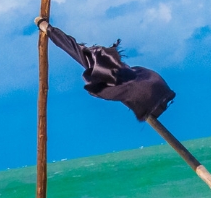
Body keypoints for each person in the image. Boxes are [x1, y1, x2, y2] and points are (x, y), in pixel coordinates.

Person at [36, 16, 175, 121]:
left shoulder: (105, 68)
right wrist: (46, 27)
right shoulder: (121, 70)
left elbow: (70, 47)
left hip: (147, 95)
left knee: (128, 88)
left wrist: (46, 27)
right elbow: (71, 46)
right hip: (151, 94)